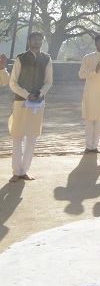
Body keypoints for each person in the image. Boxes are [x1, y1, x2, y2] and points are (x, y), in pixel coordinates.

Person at [8, 32, 52, 182]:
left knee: (32, 137)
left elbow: (48, 81)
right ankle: (16, 171)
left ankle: (24, 170)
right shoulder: (21, 58)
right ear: (29, 41)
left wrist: (40, 93)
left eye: (40, 39)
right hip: (21, 101)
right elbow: (13, 82)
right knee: (18, 136)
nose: (37, 42)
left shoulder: (46, 58)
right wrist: (27, 94)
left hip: (38, 102)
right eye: (35, 39)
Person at [79, 34, 100, 153]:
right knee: (89, 119)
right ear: (95, 43)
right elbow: (81, 74)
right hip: (90, 92)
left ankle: (95, 146)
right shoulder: (88, 57)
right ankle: (88, 146)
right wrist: (94, 71)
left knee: (99, 120)